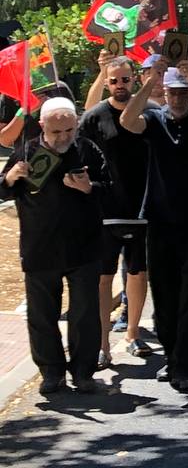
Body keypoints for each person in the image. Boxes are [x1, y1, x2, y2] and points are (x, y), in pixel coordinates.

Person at [120, 62, 188, 391]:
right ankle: (173, 357)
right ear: (165, 93)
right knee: (163, 295)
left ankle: (186, 366)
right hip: (161, 221)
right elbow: (126, 120)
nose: (177, 99)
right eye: (172, 93)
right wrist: (149, 83)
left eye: (182, 93)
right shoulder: (153, 120)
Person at [1, 97, 110, 394]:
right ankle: (51, 372)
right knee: (42, 316)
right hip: (40, 248)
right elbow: (3, 188)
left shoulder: (87, 149)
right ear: (42, 127)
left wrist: (90, 188)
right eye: (56, 132)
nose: (63, 138)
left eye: (69, 131)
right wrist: (10, 178)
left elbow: (110, 190)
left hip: (83, 247)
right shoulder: (26, 151)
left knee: (85, 314)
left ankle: (83, 372)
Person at [78, 54, 154, 367]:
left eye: (125, 79)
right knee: (102, 278)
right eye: (114, 80)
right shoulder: (94, 116)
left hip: (142, 210)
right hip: (104, 211)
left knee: (138, 274)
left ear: (134, 78)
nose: (120, 85)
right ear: (106, 82)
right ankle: (101, 344)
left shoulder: (151, 112)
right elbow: (80, 159)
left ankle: (132, 334)